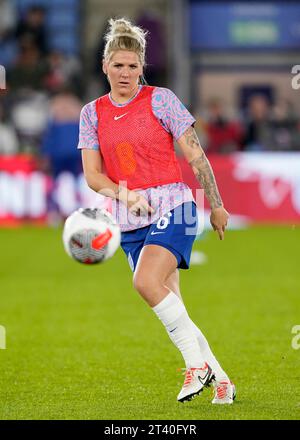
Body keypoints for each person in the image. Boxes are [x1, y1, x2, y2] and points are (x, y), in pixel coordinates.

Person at [78, 18, 235, 405]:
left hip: (175, 206)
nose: (126, 73)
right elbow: (94, 177)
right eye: (118, 65)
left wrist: (216, 204)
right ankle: (222, 381)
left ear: (142, 66)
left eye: (133, 65)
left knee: (145, 283)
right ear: (104, 66)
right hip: (128, 218)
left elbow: (195, 154)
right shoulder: (91, 113)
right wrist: (125, 195)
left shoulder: (161, 99)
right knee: (172, 304)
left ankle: (195, 368)